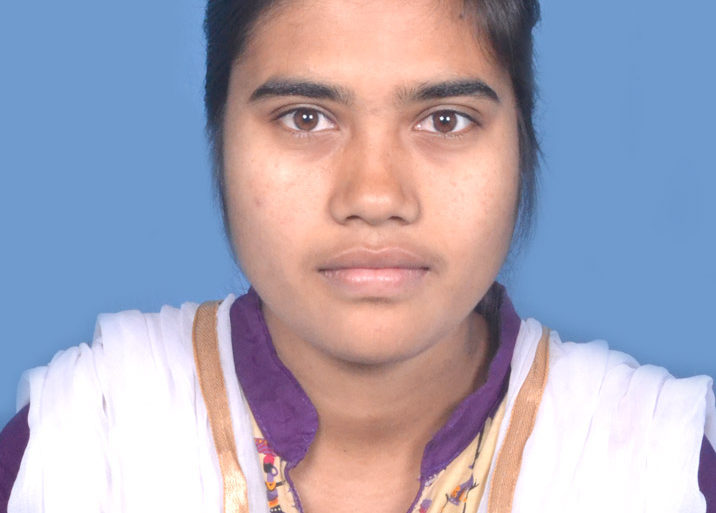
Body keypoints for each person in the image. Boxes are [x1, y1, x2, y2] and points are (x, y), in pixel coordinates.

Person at [1, 0, 714, 512]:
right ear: (219, 137)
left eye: (445, 120)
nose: (375, 196)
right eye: (305, 118)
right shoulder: (77, 450)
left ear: (521, 146)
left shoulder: (656, 470)